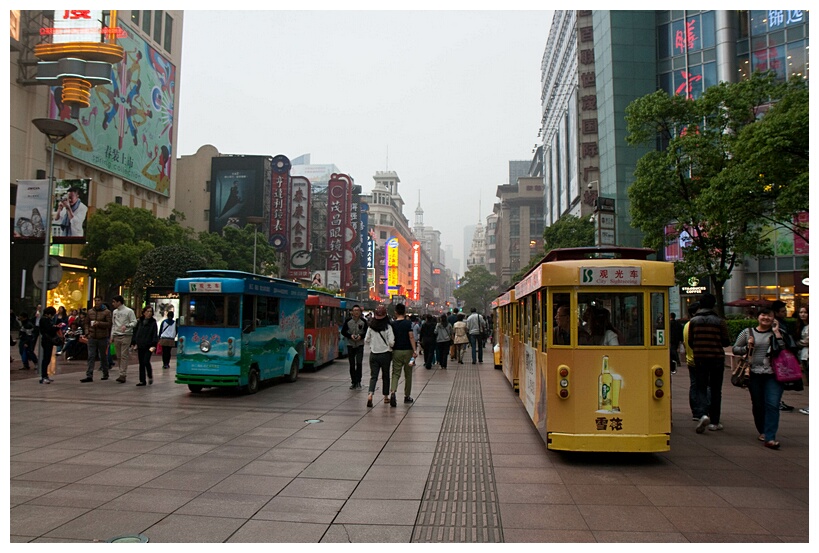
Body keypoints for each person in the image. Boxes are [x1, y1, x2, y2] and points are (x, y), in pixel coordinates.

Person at [733, 307, 794, 449]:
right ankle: (762, 430)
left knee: (772, 404)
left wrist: (777, 333)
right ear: (758, 317)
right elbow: (736, 348)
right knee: (758, 404)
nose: (766, 318)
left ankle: (770, 436)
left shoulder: (779, 333)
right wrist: (747, 348)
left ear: (774, 318)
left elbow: (787, 349)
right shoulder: (748, 332)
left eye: (769, 315)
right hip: (754, 374)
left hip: (774, 374)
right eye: (763, 315)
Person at [688, 293, 730, 433]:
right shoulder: (719, 321)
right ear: (713, 305)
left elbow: (690, 342)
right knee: (716, 389)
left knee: (701, 387)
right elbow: (726, 342)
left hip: (700, 358)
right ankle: (715, 421)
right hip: (717, 358)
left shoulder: (694, 321)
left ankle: (703, 414)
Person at [364, 305, 394, 408]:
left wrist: (373, 343)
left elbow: (366, 340)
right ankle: (386, 397)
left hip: (374, 355)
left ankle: (370, 394)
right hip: (385, 354)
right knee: (385, 376)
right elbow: (391, 342)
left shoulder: (371, 327)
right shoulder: (388, 327)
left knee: (374, 376)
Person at [389, 303, 417, 405]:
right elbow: (411, 337)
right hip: (408, 352)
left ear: (395, 312)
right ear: (405, 312)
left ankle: (393, 392)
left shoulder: (392, 324)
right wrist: (414, 350)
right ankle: (407, 396)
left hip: (396, 352)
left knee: (396, 373)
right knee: (408, 374)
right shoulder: (408, 323)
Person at [682, 301, 705, 421]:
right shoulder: (697, 325)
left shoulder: (686, 326)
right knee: (705, 386)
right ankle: (704, 410)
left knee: (694, 385)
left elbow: (686, 344)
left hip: (691, 360)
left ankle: (696, 412)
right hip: (702, 360)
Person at [81, 296, 112, 383]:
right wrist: (87, 332)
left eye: (99, 300)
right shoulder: (90, 312)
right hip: (92, 337)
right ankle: (89, 375)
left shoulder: (106, 312)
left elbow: (109, 324)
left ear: (101, 301)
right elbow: (86, 323)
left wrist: (99, 323)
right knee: (91, 356)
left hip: (102, 337)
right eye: (96, 301)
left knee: (103, 356)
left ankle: (105, 373)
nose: (97, 302)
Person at [772, 300, 796, 411]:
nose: (785, 313)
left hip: (780, 354)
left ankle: (777, 401)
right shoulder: (776, 324)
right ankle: (777, 401)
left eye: (785, 310)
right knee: (778, 379)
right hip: (778, 355)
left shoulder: (782, 322)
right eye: (782, 311)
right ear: (776, 312)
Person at [110, 295, 137, 383]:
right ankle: (121, 372)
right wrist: (112, 335)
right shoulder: (114, 312)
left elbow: (134, 322)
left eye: (114, 302)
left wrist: (127, 326)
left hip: (126, 335)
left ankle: (122, 374)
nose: (113, 304)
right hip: (117, 335)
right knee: (119, 356)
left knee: (124, 355)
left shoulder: (129, 311)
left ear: (119, 302)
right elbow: (113, 324)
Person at [341, 305, 368, 389]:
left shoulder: (363, 321)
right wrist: (350, 336)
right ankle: (353, 381)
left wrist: (361, 336)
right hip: (350, 345)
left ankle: (359, 381)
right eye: (354, 310)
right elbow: (343, 331)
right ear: (352, 312)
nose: (356, 312)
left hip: (360, 345)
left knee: (359, 363)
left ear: (360, 312)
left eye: (358, 310)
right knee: (352, 364)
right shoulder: (348, 321)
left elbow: (367, 332)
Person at [131, 306, 158, 386]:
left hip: (149, 345)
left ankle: (149, 375)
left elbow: (154, 334)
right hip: (141, 344)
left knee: (146, 361)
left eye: (150, 312)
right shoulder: (140, 321)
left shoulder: (153, 322)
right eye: (148, 311)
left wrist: (154, 344)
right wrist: (134, 343)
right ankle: (142, 380)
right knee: (141, 363)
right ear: (144, 312)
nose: (149, 313)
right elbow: (135, 332)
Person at [38, 306, 58, 384]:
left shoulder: (47, 320)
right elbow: (49, 329)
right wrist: (55, 328)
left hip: (48, 340)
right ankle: (44, 376)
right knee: (46, 359)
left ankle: (45, 376)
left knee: (47, 358)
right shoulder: (44, 320)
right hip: (47, 341)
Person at [795, 306, 808, 415]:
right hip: (804, 356)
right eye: (801, 312)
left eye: (805, 312)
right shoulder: (803, 326)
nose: (803, 314)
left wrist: (797, 344)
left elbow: (806, 341)